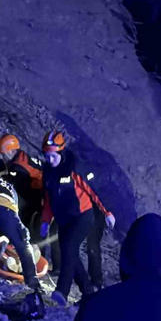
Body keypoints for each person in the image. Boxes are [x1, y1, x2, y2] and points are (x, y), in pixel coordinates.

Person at [39, 131, 114, 306]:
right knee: (70, 253)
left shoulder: (74, 168)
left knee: (69, 248)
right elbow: (48, 200)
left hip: (82, 216)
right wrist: (45, 221)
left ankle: (61, 292)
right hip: (64, 220)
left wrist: (107, 212)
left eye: (53, 156)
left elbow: (94, 191)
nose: (50, 160)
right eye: (47, 156)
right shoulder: (48, 173)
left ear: (62, 152)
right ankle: (87, 293)